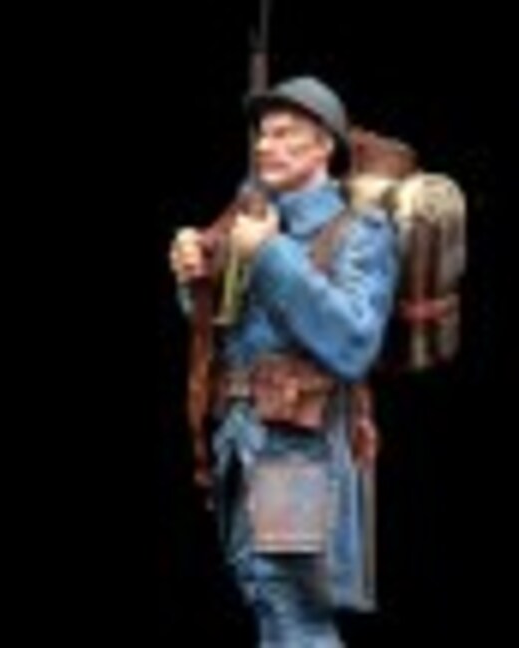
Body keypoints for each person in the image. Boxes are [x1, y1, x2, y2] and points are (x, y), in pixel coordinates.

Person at [169, 76, 398, 647]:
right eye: (262, 135)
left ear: (324, 146)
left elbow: (353, 344)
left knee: (293, 609)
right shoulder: (248, 221)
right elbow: (227, 328)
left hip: (300, 453)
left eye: (284, 133)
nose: (265, 145)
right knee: (262, 592)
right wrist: (195, 277)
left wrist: (270, 254)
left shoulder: (359, 231)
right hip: (241, 438)